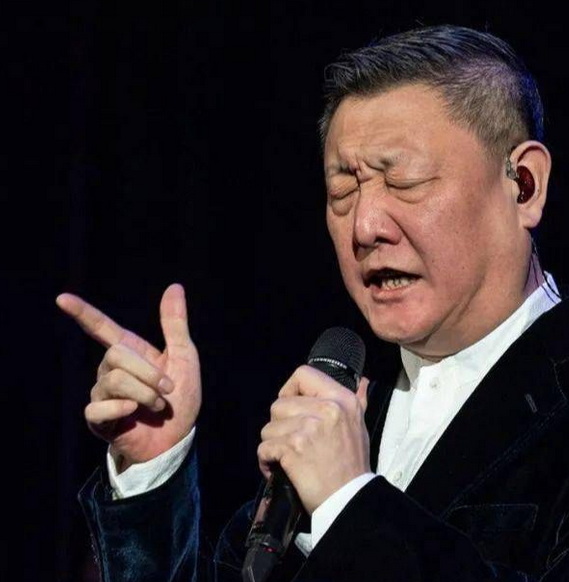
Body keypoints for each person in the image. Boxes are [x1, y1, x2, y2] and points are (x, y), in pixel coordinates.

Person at [57, 25, 569, 581]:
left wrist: (349, 502)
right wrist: (154, 474)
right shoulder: (336, 410)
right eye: (343, 190)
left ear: (523, 185)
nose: (365, 227)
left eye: (405, 181)